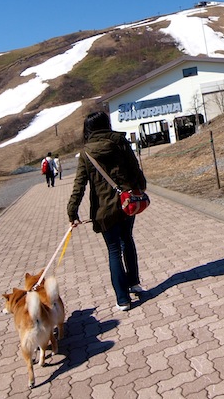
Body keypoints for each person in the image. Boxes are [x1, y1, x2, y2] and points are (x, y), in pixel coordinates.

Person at [67, 111, 147, 311]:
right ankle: (134, 282)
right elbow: (134, 168)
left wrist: (72, 211)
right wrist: (140, 188)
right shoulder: (120, 141)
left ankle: (123, 299)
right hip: (126, 202)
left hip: (104, 209)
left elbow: (79, 185)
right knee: (127, 239)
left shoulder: (86, 153)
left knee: (114, 250)